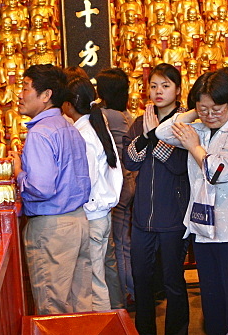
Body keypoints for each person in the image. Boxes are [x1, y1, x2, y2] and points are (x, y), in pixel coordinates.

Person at [156, 70, 228, 335]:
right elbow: (162, 132)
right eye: (203, 108)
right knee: (213, 306)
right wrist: (196, 110)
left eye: (217, 108)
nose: (210, 114)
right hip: (206, 230)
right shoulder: (201, 125)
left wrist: (194, 146)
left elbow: (219, 172)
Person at [11, 64, 91, 315]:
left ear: (45, 95)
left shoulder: (41, 133)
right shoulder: (69, 127)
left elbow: (41, 188)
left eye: (25, 89)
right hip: (78, 221)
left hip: (52, 229)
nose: (19, 95)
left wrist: (18, 172)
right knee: (80, 303)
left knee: (53, 307)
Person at [124, 64, 190, 335]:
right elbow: (131, 160)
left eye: (165, 85)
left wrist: (157, 138)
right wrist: (149, 136)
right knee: (142, 278)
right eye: (153, 86)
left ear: (177, 89)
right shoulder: (140, 122)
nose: (158, 91)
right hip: (142, 217)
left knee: (174, 282)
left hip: (173, 217)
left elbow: (178, 165)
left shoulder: (186, 122)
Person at [62, 70, 122, 312]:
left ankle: (103, 330)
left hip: (93, 214)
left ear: (68, 105)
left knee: (93, 279)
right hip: (103, 213)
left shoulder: (84, 134)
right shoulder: (95, 125)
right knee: (97, 275)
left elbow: (86, 180)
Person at [96, 68, 135, 308]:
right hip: (129, 182)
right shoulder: (125, 113)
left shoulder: (106, 115)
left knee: (119, 244)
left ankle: (127, 292)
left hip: (118, 185)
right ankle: (130, 290)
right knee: (124, 241)